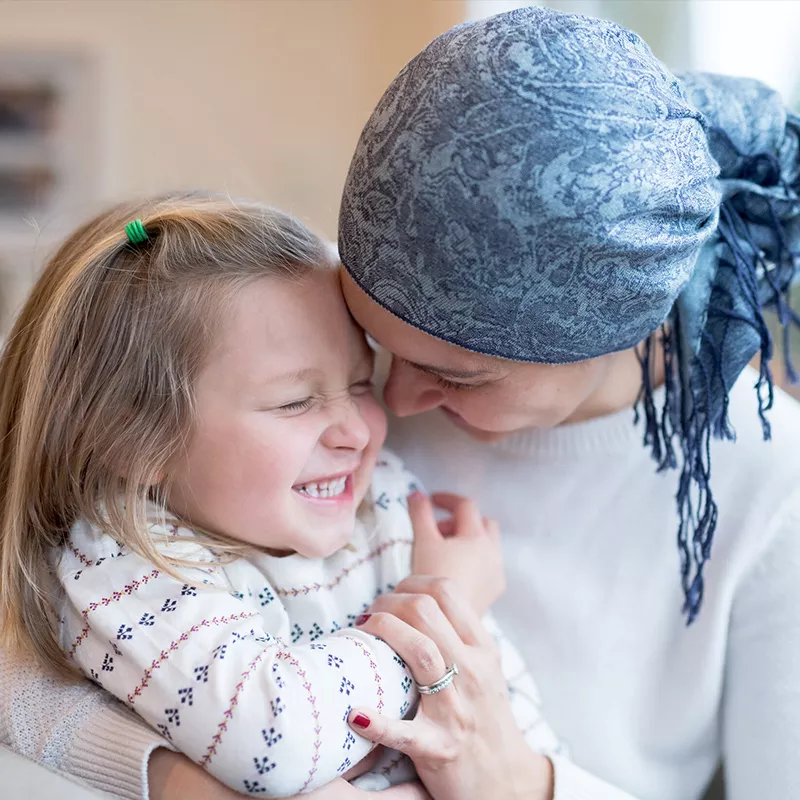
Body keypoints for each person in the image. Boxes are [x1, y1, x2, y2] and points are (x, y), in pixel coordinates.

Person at [3, 6, 800, 800]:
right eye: (373, 343)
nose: (389, 400)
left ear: (612, 330)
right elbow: (35, 634)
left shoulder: (770, 488)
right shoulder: (325, 337)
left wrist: (522, 784)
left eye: (457, 375)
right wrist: (184, 779)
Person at [0, 193, 560, 798]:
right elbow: (278, 743)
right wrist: (446, 619)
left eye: (357, 383)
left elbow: (519, 736)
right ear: (137, 443)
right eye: (295, 401)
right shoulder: (123, 562)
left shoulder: (390, 508)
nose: (356, 431)